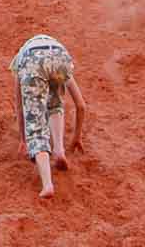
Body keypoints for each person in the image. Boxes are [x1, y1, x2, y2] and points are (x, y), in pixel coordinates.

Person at [9, 33, 87, 200]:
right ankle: (59, 150)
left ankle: (47, 185)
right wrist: (77, 137)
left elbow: (21, 107)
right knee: (55, 103)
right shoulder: (60, 59)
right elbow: (81, 105)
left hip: (33, 61)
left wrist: (24, 139)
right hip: (60, 56)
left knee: (35, 127)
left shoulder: (20, 63)